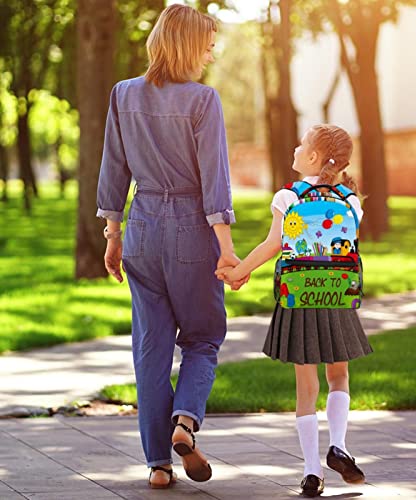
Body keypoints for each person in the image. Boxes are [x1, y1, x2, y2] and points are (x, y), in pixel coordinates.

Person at [96, 4, 247, 489]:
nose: (210, 53)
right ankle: (185, 421)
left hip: (140, 227)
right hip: (191, 229)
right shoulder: (203, 100)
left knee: (151, 348)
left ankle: (158, 464)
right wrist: (226, 249)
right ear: (185, 45)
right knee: (203, 338)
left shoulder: (123, 94)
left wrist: (113, 235)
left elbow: (113, 170)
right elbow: (214, 182)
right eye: (206, 44)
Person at [216, 124, 373, 497]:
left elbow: (274, 244)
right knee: (339, 377)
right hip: (336, 297)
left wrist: (238, 272)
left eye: (302, 144)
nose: (295, 147)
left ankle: (311, 471)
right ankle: (340, 445)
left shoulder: (289, 197)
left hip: (298, 296)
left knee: (306, 388)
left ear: (314, 157)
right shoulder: (351, 201)